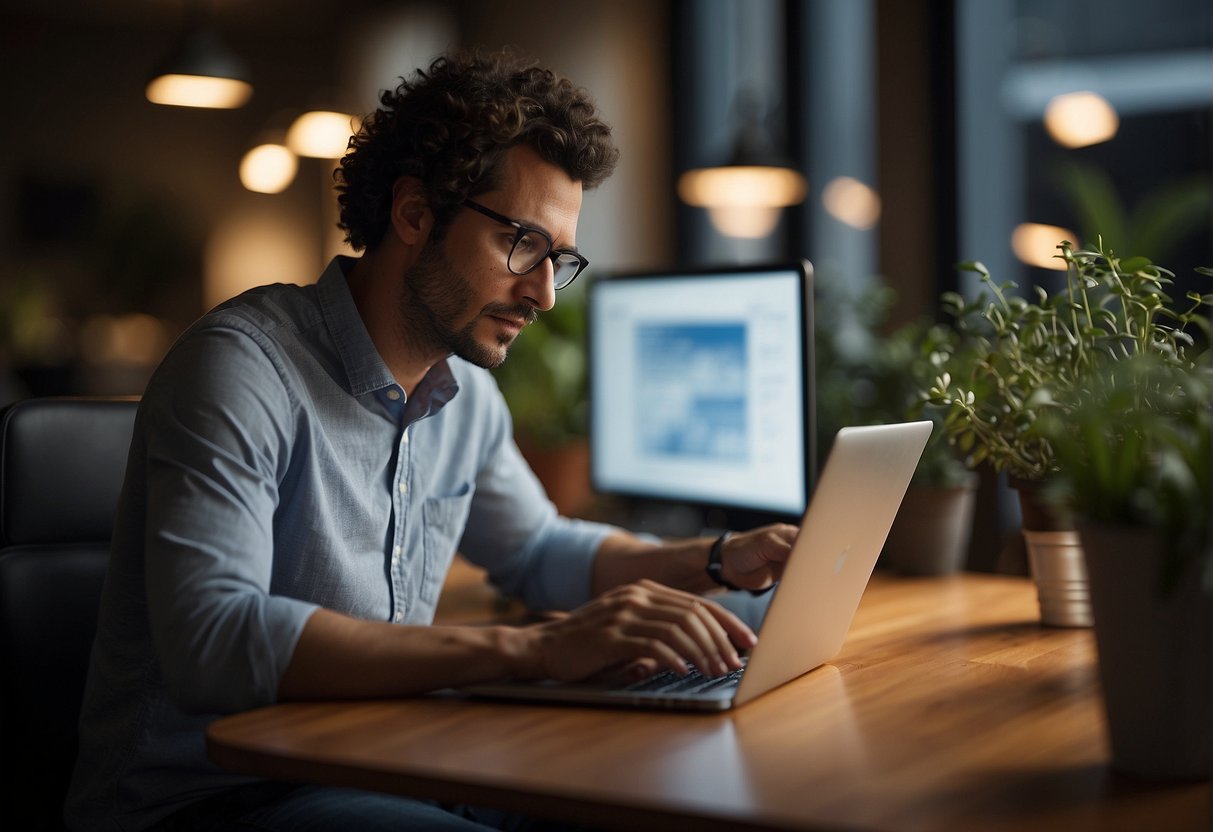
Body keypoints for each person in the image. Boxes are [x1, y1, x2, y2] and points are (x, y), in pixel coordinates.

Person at [65, 49, 797, 832]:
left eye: (560, 259)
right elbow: (215, 638)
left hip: (386, 759)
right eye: (522, 243)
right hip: (212, 800)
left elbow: (539, 551)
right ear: (413, 214)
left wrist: (715, 560)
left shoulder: (467, 398)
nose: (544, 293)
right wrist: (535, 652)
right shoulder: (241, 369)